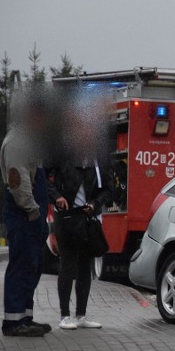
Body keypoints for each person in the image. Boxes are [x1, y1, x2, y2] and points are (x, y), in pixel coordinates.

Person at [47, 107, 111, 330]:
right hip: (65, 218)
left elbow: (107, 189)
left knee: (85, 268)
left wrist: (94, 204)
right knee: (67, 266)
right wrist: (58, 197)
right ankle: (64, 316)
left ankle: (81, 315)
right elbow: (45, 180)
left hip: (88, 219)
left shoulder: (97, 157)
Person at [0, 93, 52, 337]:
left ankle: (25, 317)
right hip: (23, 214)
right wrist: (32, 210)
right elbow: (18, 181)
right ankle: (13, 321)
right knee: (21, 265)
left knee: (33, 264)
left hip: (33, 215)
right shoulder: (17, 142)